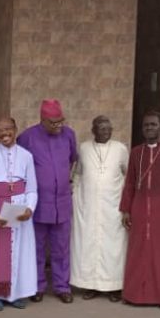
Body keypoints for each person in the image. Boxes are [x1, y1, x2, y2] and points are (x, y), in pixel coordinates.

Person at [119, 111, 160, 309]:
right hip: (139, 206)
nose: (149, 128)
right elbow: (130, 182)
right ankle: (133, 295)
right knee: (137, 251)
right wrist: (126, 209)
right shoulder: (136, 152)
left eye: (153, 124)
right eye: (146, 125)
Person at [17, 99, 77, 303]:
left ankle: (62, 286)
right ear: (42, 120)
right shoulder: (27, 137)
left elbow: (71, 160)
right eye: (53, 122)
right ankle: (37, 286)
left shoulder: (69, 135)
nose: (58, 125)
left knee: (61, 248)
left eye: (61, 121)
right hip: (38, 204)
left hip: (61, 202)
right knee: (37, 247)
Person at [0, 118, 38, 310]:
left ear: (15, 129)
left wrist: (29, 208)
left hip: (18, 207)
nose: (5, 133)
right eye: (0, 130)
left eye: (8, 129)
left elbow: (32, 188)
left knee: (18, 250)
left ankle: (14, 294)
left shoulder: (27, 156)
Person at [71, 115, 129, 302]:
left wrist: (126, 204)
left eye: (109, 128)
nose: (106, 132)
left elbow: (127, 175)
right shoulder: (84, 148)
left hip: (113, 207)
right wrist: (76, 197)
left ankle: (114, 287)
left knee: (113, 247)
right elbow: (78, 174)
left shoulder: (120, 149)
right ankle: (90, 285)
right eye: (102, 128)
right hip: (89, 207)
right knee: (89, 245)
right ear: (93, 130)